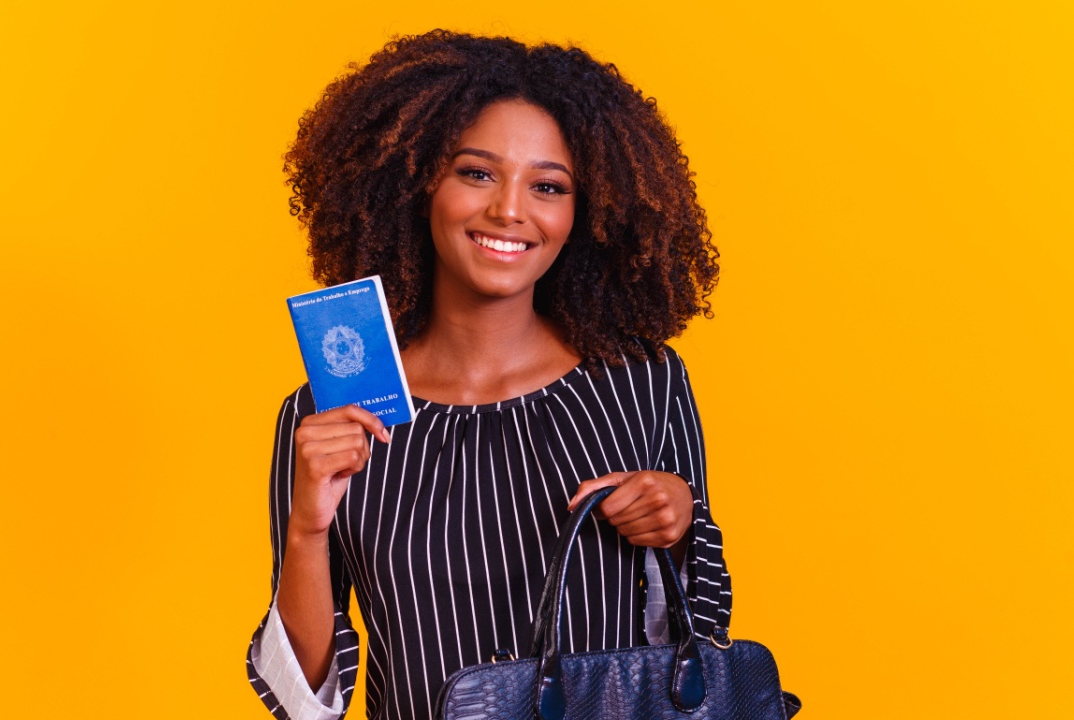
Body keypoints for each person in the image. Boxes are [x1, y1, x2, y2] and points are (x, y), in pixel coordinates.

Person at [247, 30, 732, 720]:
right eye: (476, 173)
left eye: (548, 186)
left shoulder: (643, 382)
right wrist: (307, 529)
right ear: (417, 185)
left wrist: (676, 522)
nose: (510, 209)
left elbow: (700, 629)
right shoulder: (336, 409)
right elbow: (304, 698)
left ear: (582, 212)